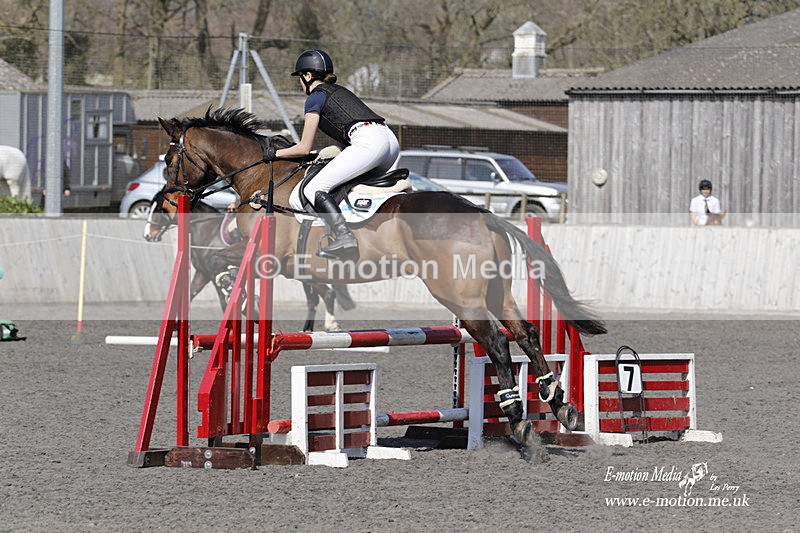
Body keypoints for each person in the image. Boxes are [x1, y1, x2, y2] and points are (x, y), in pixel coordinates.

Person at [269, 49, 400, 258]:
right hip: (389, 140)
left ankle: (344, 237)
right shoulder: (340, 91)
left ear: (308, 76)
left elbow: (303, 147)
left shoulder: (315, 97)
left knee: (314, 188)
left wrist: (275, 155)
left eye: (300, 79)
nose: (301, 84)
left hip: (368, 141)